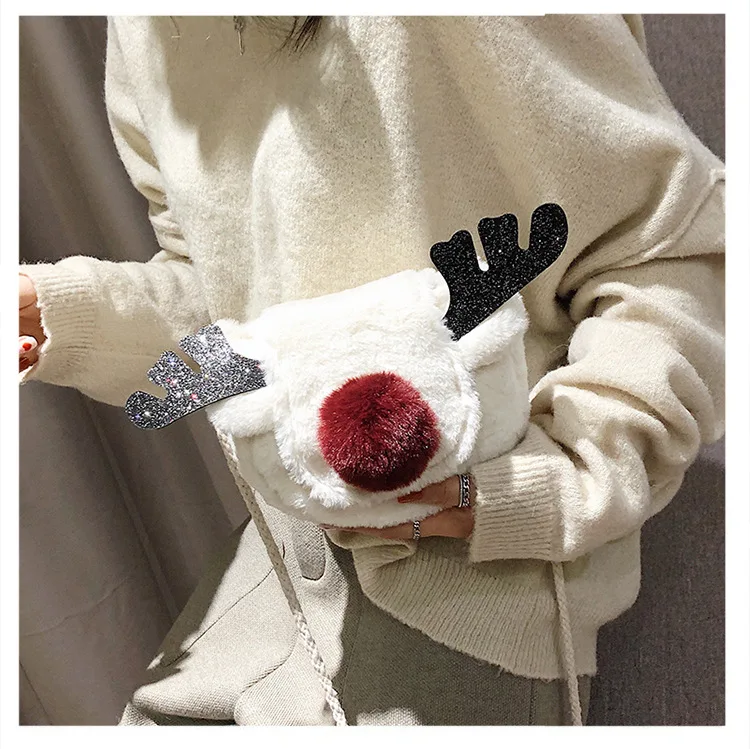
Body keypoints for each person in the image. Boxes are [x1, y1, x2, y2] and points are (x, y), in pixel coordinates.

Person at [18, 15, 725, 726]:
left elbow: (673, 248)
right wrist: (60, 318)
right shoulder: (142, 28)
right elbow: (233, 314)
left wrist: (553, 484)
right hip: (280, 566)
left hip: (471, 593)